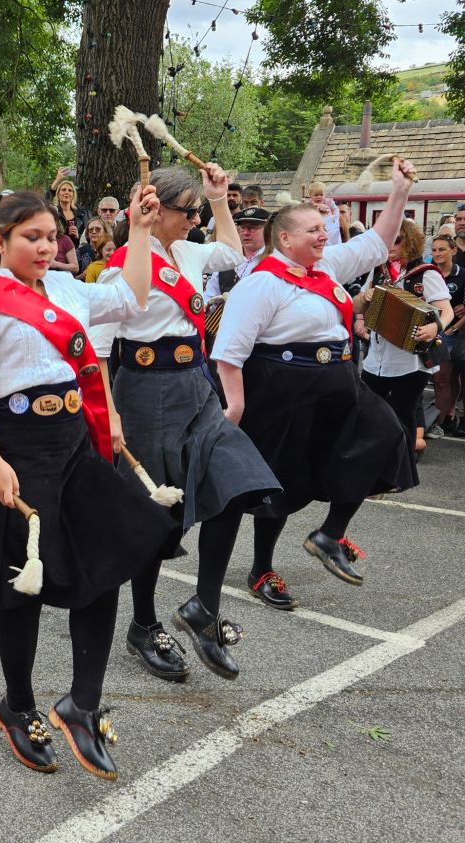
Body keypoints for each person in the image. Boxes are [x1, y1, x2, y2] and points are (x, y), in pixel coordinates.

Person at [0, 190, 180, 780]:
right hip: (16, 447)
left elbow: (132, 296)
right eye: (31, 237)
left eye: (52, 236)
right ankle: (18, 705)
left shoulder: (69, 290)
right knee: (22, 587)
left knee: (108, 558)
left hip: (73, 441)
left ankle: (82, 701)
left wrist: (139, 227)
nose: (46, 247)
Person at [93, 166, 281, 683]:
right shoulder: (122, 268)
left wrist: (220, 200)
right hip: (143, 393)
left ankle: (202, 607)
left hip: (195, 386)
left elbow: (230, 252)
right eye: (189, 209)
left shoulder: (192, 252)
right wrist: (110, 416)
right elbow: (99, 352)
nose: (197, 218)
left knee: (238, 482)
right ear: (157, 212)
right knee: (156, 515)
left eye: (200, 209)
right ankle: (144, 623)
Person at [212, 160, 419, 609]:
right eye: (313, 230)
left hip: (338, 382)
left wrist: (399, 190)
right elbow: (229, 351)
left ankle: (329, 534)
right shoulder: (261, 283)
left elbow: (378, 242)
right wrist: (235, 408)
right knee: (283, 484)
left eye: (323, 227)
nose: (324, 234)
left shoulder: (326, 269)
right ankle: (262, 567)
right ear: (284, 239)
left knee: (386, 436)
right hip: (284, 389)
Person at [359, 217, 453, 457]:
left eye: (397, 240)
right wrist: (366, 297)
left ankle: (404, 466)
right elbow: (356, 306)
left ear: (410, 242)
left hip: (409, 360)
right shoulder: (378, 270)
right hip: (376, 357)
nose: (391, 245)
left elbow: (446, 310)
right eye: (388, 239)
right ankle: (376, 460)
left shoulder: (425, 274)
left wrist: (435, 327)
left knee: (404, 414)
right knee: (369, 409)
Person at [427, 235, 465, 437]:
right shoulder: (427, 273)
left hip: (453, 334)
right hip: (431, 332)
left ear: (453, 251)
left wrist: (454, 329)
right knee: (438, 379)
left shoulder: (462, 275)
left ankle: (443, 420)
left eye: (442, 249)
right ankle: (441, 419)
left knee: (449, 378)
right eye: (434, 250)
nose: (437, 254)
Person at [202, 206, 269, 304]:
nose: (246, 233)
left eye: (252, 228)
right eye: (242, 227)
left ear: (267, 230)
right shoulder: (227, 258)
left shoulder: (274, 259)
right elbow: (209, 296)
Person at [46, 171, 90, 246]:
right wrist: (57, 180)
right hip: (58, 250)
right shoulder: (54, 212)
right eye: (63, 190)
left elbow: (90, 236)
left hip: (76, 251)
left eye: (70, 190)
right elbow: (44, 202)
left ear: (73, 195)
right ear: (58, 194)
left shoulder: (82, 212)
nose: (67, 192)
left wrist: (78, 235)